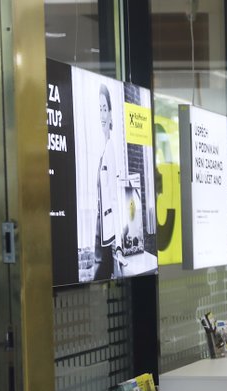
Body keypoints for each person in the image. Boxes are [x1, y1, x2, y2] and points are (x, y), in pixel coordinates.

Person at [95, 84, 125, 279]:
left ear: (111, 112)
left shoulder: (111, 149)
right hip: (99, 229)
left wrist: (120, 246)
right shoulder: (102, 147)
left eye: (105, 109)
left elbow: (115, 198)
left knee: (101, 277)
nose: (102, 114)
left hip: (107, 234)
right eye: (100, 109)